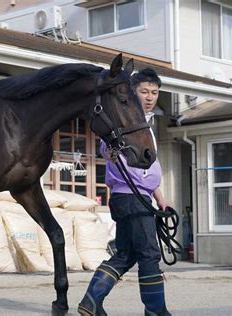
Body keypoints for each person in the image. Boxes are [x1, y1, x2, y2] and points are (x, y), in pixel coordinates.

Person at [78, 68, 171, 316]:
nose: (150, 97)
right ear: (132, 92)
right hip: (131, 197)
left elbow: (151, 166)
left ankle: (91, 301)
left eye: (154, 92)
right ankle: (156, 311)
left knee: (125, 255)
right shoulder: (123, 121)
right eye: (144, 92)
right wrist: (112, 151)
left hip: (137, 198)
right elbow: (106, 150)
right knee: (149, 255)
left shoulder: (144, 126)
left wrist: (160, 200)